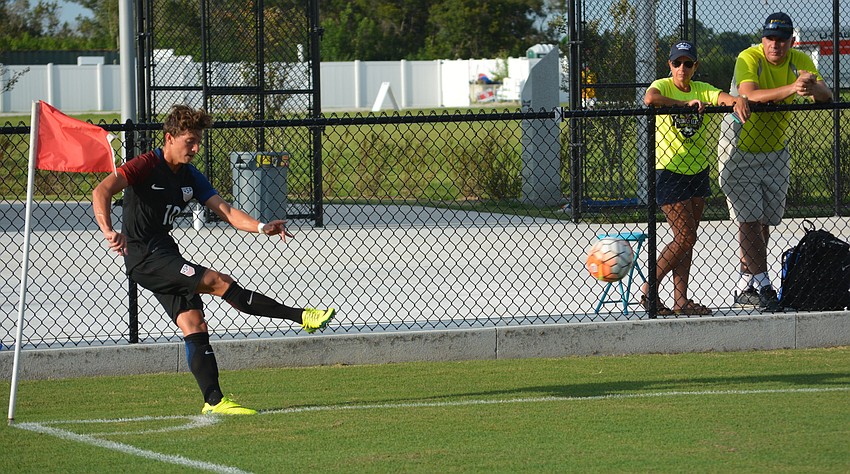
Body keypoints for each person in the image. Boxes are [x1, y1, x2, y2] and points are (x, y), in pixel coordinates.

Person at [92, 105, 335, 415]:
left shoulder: (191, 175)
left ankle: (214, 402)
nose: (194, 149)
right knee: (219, 281)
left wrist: (261, 227)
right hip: (144, 255)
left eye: (198, 142)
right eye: (189, 141)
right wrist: (107, 229)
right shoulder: (145, 165)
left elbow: (228, 212)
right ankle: (301, 316)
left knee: (194, 324)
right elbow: (102, 190)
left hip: (165, 252)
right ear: (169, 138)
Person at [718, 12, 833, 312]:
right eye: (770, 38)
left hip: (775, 150)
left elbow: (826, 95)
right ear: (762, 39)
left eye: (782, 39)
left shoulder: (799, 61)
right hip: (739, 148)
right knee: (749, 219)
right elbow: (750, 94)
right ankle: (765, 285)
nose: (775, 45)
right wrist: (793, 89)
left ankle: (746, 284)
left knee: (765, 221)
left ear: (791, 42)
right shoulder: (749, 57)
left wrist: (811, 86)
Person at [642, 41, 750, 315]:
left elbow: (721, 97)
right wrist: (682, 105)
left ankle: (681, 301)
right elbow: (650, 99)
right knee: (685, 237)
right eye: (677, 63)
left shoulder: (701, 89)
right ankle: (648, 290)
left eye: (687, 63)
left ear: (695, 66)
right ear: (670, 65)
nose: (682, 68)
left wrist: (736, 100)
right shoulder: (663, 85)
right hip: (669, 171)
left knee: (687, 238)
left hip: (698, 171)